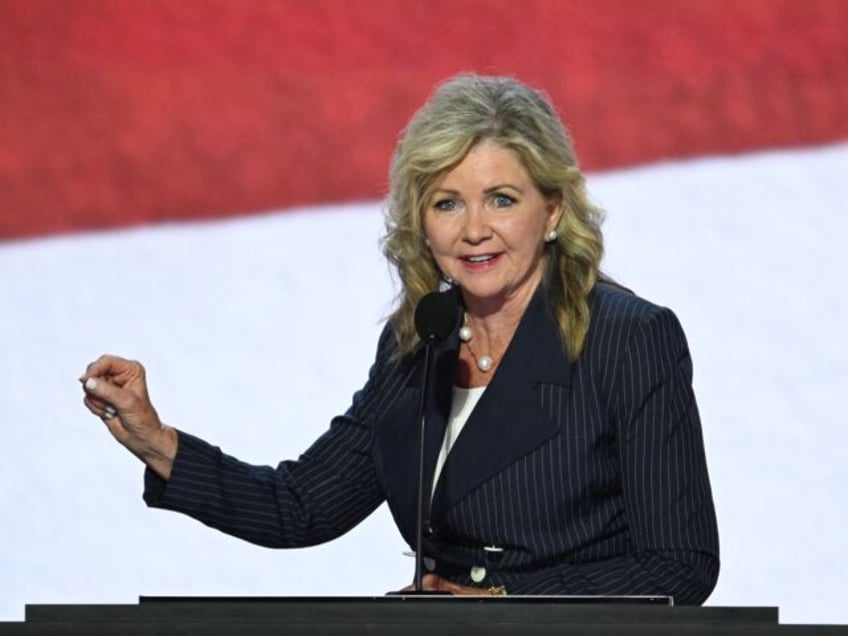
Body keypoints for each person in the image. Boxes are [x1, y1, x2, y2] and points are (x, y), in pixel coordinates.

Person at [80, 73, 719, 603]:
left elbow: (680, 565)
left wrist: (506, 603)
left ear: (551, 210)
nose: (474, 230)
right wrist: (157, 442)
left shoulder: (627, 338)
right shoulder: (419, 340)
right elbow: (302, 505)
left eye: (500, 199)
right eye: (447, 203)